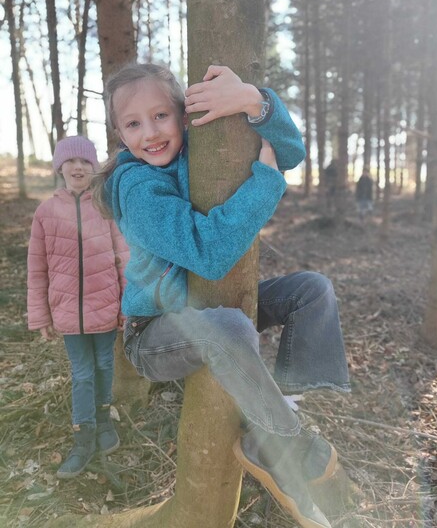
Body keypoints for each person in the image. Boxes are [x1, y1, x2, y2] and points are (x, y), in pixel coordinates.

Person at [93, 63, 350, 528]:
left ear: (183, 113)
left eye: (161, 116)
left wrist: (255, 101)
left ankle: (279, 404)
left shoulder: (205, 147)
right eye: (133, 123)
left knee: (311, 291)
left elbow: (290, 151)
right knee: (227, 328)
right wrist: (264, 184)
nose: (151, 133)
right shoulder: (137, 188)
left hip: (208, 306)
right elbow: (207, 253)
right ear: (120, 134)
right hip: (153, 333)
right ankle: (279, 443)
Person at [27, 136, 129, 479]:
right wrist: (41, 315)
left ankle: (104, 422)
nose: (78, 167)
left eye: (85, 162)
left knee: (105, 365)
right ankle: (83, 437)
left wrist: (126, 306)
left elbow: (124, 259)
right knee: (82, 373)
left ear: (94, 167)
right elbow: (37, 268)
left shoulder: (105, 208)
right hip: (67, 313)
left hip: (105, 308)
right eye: (71, 161)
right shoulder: (45, 212)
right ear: (60, 167)